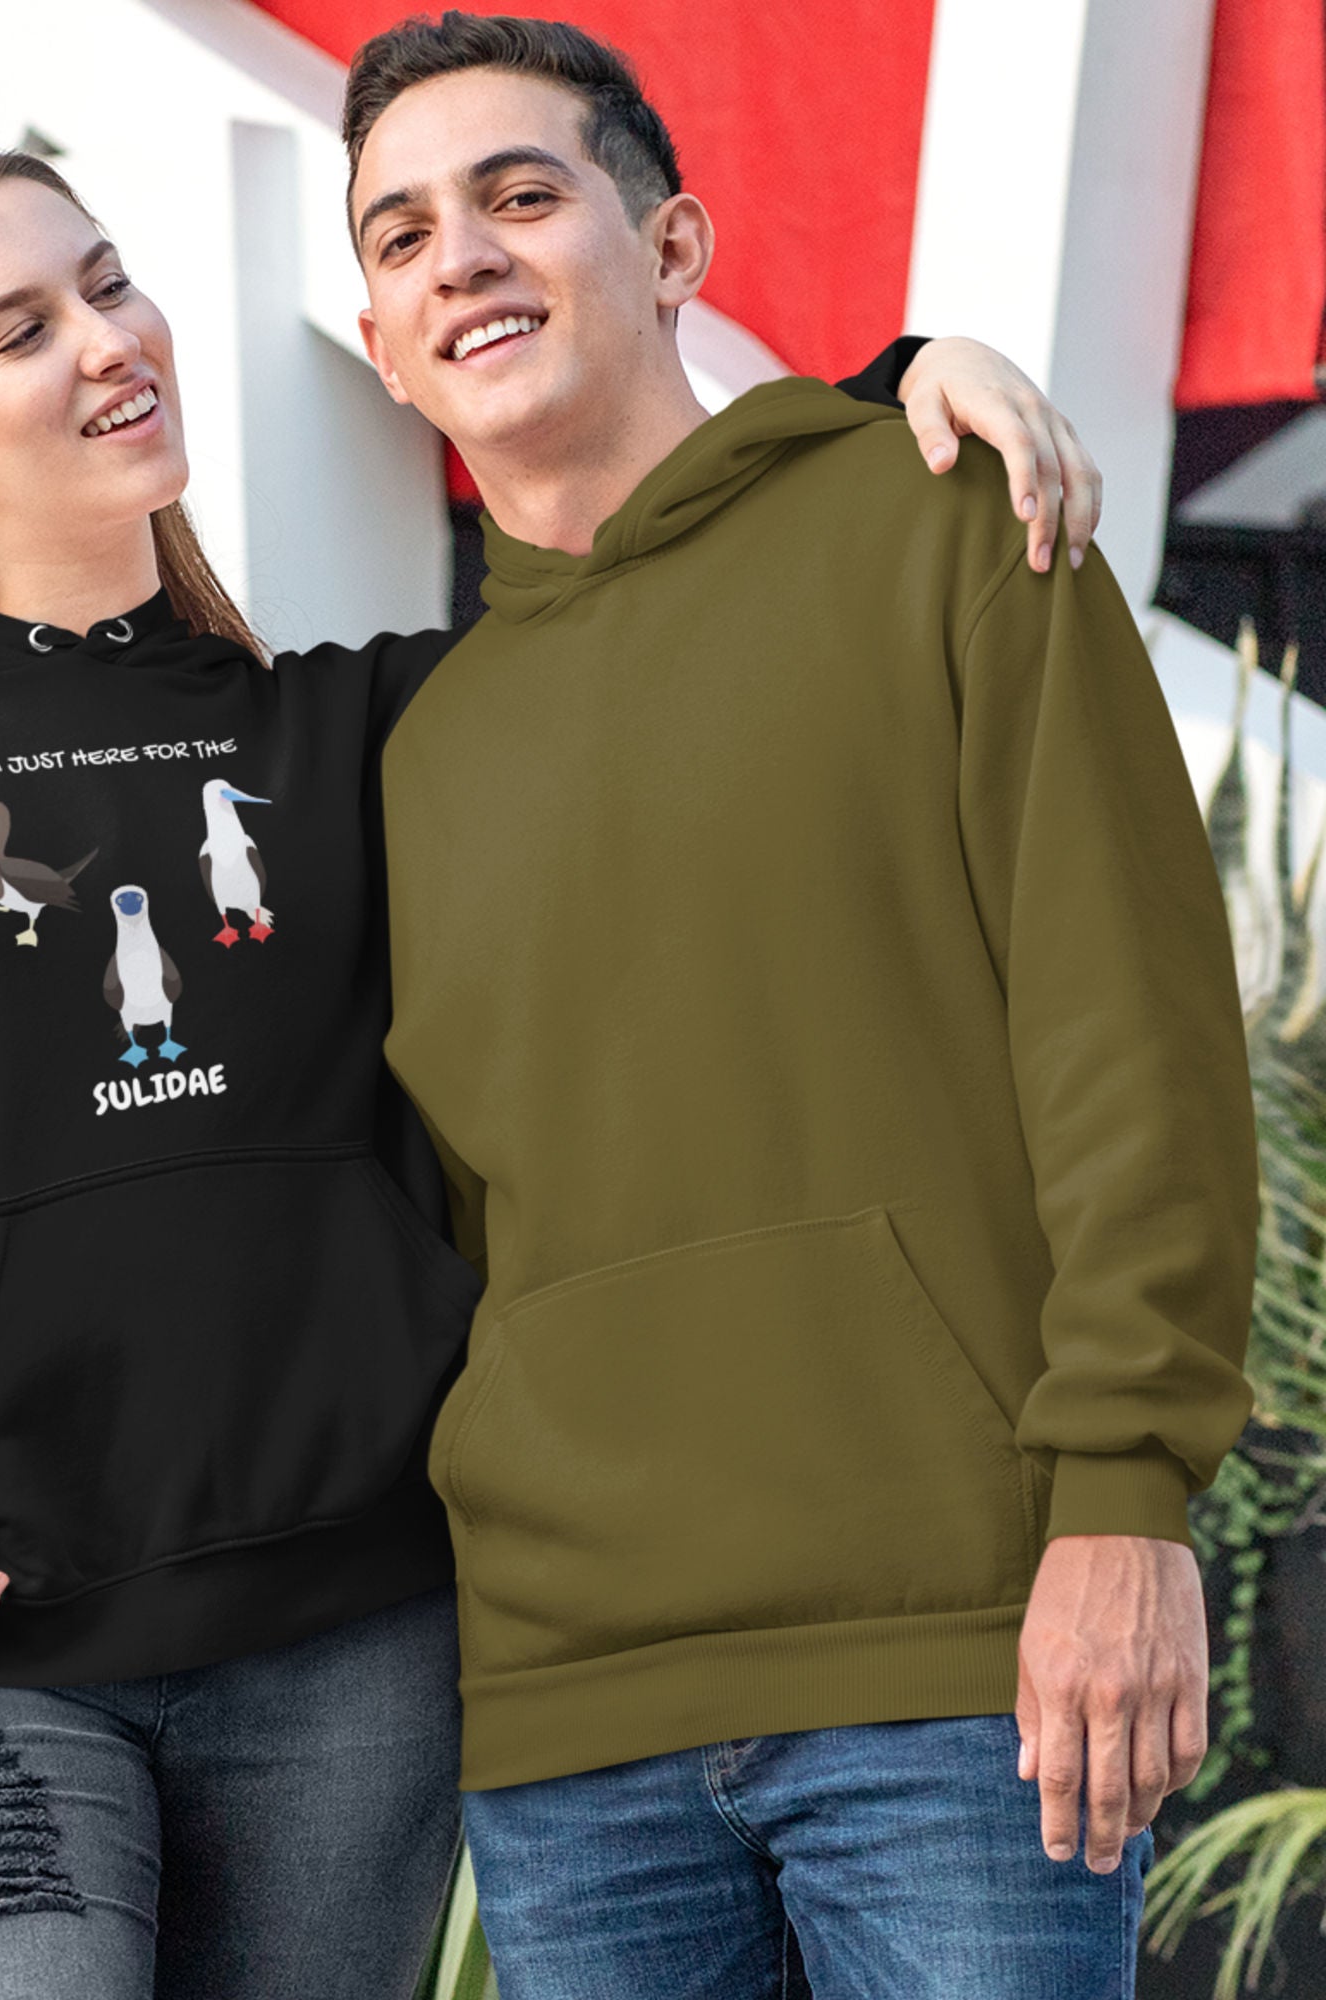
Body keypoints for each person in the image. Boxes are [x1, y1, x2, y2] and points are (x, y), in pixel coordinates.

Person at [0, 140, 1102, 2000]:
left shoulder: (371, 727)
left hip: (351, 1651)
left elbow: (641, 590)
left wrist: (890, 403)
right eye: (20, 329)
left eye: (106, 279)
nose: (107, 339)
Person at [344, 14, 1259, 1999]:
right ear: (383, 338)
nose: (462, 257)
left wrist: (1123, 1500)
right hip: (562, 1725)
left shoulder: (950, 525)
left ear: (670, 248)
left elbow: (1131, 1040)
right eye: (402, 235)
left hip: (953, 1664)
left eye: (521, 195)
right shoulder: (398, 752)